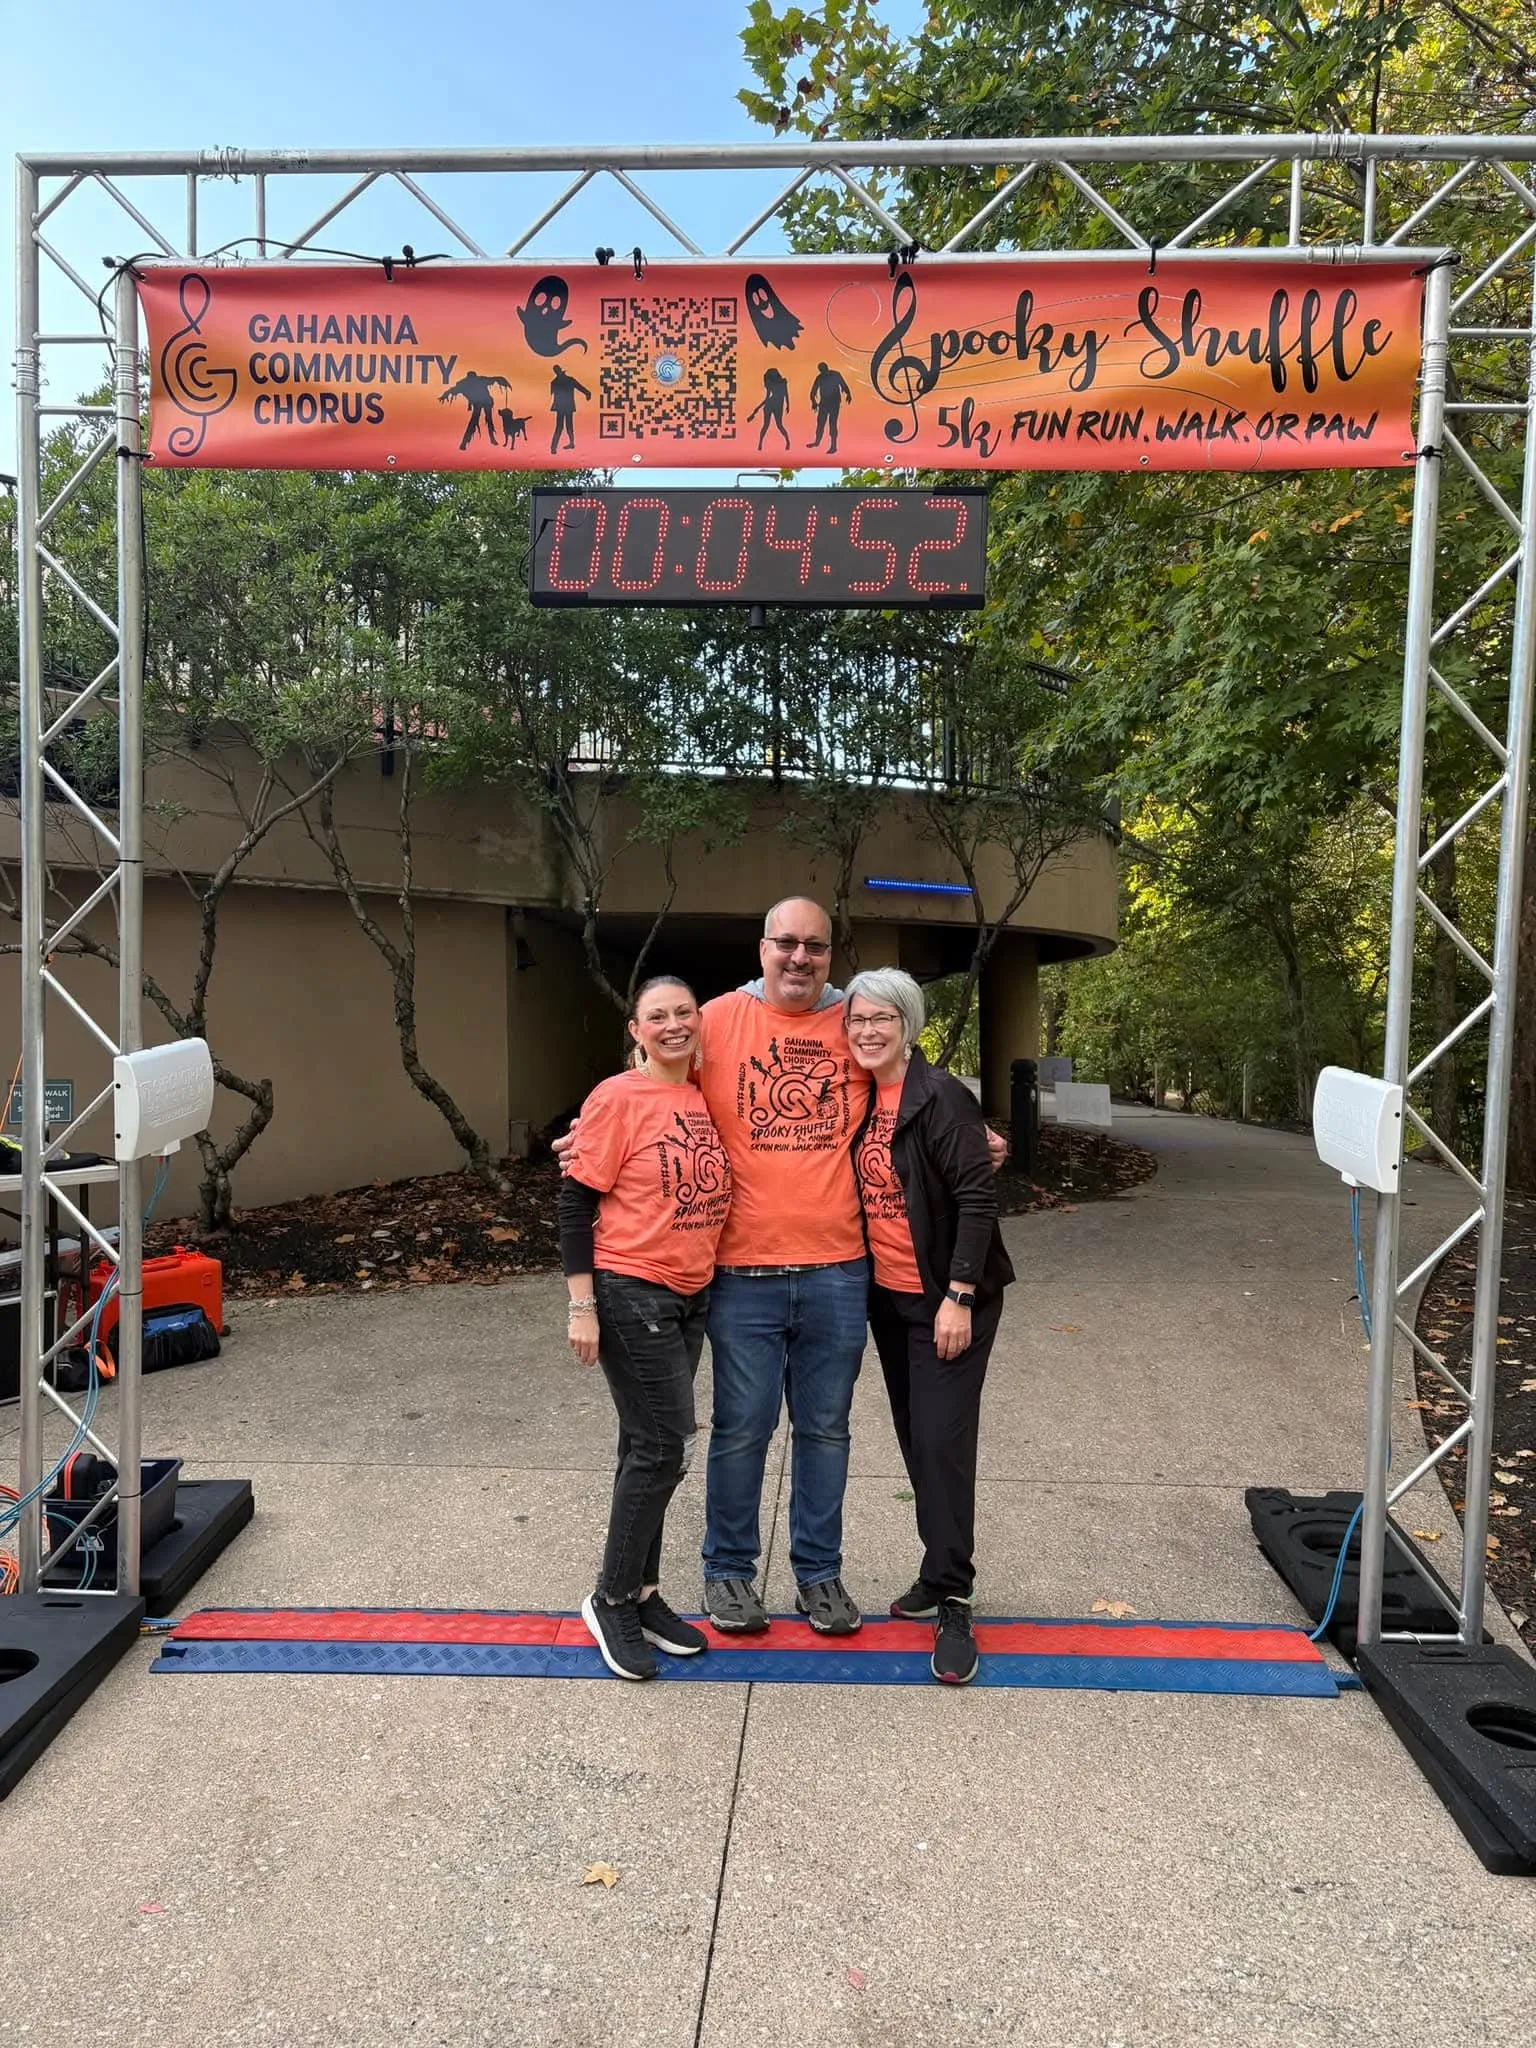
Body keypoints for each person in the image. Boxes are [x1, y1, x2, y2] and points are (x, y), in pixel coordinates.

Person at [555, 902, 1007, 1642]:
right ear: (762, 949)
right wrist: (589, 1129)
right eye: (786, 944)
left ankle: (818, 1574)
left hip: (839, 1269)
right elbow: (655, 1076)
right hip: (741, 1270)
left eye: (815, 947)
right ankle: (729, 1571)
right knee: (742, 1428)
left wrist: (976, 1135)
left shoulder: (851, 1020)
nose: (799, 958)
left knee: (826, 1430)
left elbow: (908, 1079)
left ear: (831, 956)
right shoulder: (721, 1018)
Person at [844, 968, 1014, 1685]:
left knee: (942, 1444)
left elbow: (977, 1198)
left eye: (882, 1018)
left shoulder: (940, 1096)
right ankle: (937, 1568)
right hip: (892, 1298)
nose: (868, 1032)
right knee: (919, 1440)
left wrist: (961, 1294)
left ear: (908, 1022)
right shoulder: (858, 1097)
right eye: (856, 1021)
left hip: (949, 1297)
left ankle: (955, 1598)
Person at [559, 976, 731, 1681]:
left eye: (683, 1013)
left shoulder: (700, 1096)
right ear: (636, 1030)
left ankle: (645, 1593)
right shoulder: (616, 1097)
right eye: (656, 1016)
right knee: (665, 1448)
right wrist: (581, 1305)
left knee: (644, 1447)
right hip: (632, 1290)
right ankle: (609, 1600)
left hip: (691, 1293)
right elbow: (574, 1203)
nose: (672, 1024)